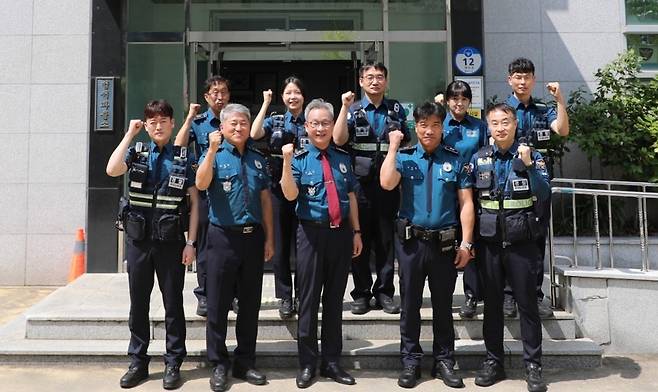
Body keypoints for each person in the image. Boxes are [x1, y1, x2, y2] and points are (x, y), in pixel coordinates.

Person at [380, 101, 474, 389]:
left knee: (443, 305)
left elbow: (467, 203)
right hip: (412, 244)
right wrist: (394, 146)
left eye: (435, 125)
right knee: (409, 305)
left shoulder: (456, 159)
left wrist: (467, 244)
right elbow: (385, 182)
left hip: (444, 245)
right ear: (415, 127)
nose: (429, 130)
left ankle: (444, 360)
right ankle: (410, 360)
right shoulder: (407, 157)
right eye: (423, 125)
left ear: (442, 126)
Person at [106, 100, 199, 390]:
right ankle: (138, 362)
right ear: (146, 126)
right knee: (139, 304)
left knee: (173, 304)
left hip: (171, 242)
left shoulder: (183, 157)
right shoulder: (136, 152)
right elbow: (111, 170)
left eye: (163, 121)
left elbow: (195, 203)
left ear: (172, 124)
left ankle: (173, 362)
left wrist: (191, 242)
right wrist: (129, 135)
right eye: (152, 122)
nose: (158, 126)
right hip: (139, 240)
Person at [280, 99, 363, 389]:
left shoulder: (342, 158)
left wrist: (357, 232)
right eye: (314, 123)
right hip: (311, 235)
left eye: (325, 123)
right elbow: (290, 196)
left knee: (334, 301)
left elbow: (351, 196)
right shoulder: (300, 158)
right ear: (306, 127)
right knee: (309, 300)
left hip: (340, 234)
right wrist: (287, 162)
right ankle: (307, 363)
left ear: (332, 125)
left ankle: (331, 362)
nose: (320, 128)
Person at [470, 103, 550, 392]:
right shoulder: (479, 159)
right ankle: (494, 361)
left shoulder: (532, 156)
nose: (500, 127)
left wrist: (529, 165)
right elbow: (466, 198)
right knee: (491, 306)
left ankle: (533, 365)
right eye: (495, 123)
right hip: (490, 243)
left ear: (515, 125)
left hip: (521, 243)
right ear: (488, 127)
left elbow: (544, 193)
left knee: (527, 306)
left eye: (505, 122)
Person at [195, 104, 275, 392]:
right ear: (223, 127)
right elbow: (200, 183)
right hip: (221, 239)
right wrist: (212, 151)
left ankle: (245, 361)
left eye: (243, 123)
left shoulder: (257, 158)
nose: (239, 128)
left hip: (252, 238)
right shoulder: (214, 155)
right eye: (233, 124)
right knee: (217, 304)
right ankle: (218, 363)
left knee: (250, 304)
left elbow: (266, 200)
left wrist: (269, 238)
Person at [333, 62, 409, 315]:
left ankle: (385, 292)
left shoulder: (397, 110)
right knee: (360, 240)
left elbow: (405, 140)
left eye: (379, 77)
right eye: (369, 77)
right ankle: (362, 293)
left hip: (388, 185)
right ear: (361, 81)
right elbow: (339, 140)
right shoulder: (352, 110)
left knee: (387, 241)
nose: (375, 81)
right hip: (360, 186)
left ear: (386, 81)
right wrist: (343, 108)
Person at [503, 58, 569, 319]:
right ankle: (508, 295)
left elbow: (562, 130)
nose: (522, 81)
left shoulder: (543, 109)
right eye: (517, 76)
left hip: (538, 182)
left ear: (533, 79)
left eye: (527, 76)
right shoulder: (502, 109)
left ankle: (534, 294)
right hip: (508, 183)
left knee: (537, 239)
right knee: (508, 239)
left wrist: (560, 100)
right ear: (510, 79)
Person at [175, 75, 235, 317]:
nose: (219, 96)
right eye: (214, 92)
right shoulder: (199, 123)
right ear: (207, 97)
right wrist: (189, 118)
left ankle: (233, 295)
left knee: (231, 246)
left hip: (231, 193)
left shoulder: (236, 120)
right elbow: (179, 146)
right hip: (205, 194)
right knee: (205, 246)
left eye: (223, 92)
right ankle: (205, 295)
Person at [251, 76, 308, 319]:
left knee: (305, 246)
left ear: (303, 96)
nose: (292, 96)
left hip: (306, 190)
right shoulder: (274, 120)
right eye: (288, 93)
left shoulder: (312, 120)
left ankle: (304, 295)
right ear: (282, 97)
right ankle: (285, 296)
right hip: (277, 189)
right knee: (281, 245)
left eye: (296, 92)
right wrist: (266, 103)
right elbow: (254, 134)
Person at [438, 81, 489, 319]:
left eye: (464, 99)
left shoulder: (479, 126)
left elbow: (486, 154)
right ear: (448, 101)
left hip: (473, 191)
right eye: (454, 98)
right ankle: (443, 294)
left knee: (470, 241)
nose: (459, 103)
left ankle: (472, 295)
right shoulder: (440, 124)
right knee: (446, 241)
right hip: (446, 191)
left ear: (470, 102)